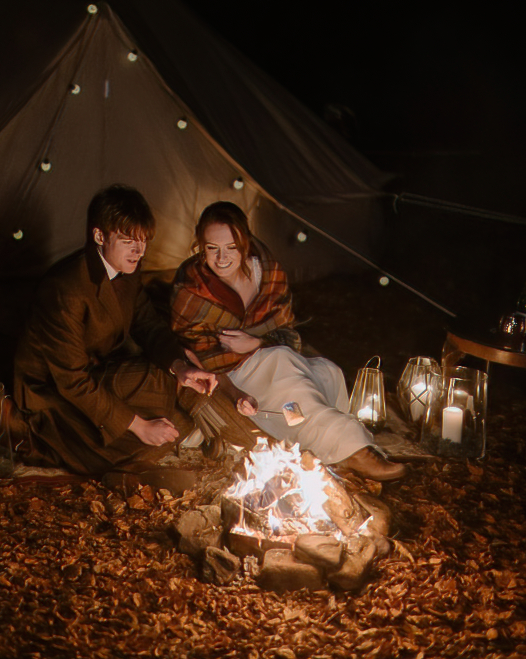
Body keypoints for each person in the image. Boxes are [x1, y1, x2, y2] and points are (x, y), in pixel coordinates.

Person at [170, 202, 406, 481]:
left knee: (327, 372)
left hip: (269, 356)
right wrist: (236, 389)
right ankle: (353, 448)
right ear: (201, 245)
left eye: (231, 247)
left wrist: (255, 344)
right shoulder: (192, 286)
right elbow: (194, 352)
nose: (221, 258)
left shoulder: (268, 271)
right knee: (288, 376)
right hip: (229, 374)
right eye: (212, 248)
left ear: (245, 242)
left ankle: (327, 450)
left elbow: (286, 330)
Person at [9, 185, 217, 477]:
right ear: (99, 236)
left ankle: (130, 430)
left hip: (96, 370)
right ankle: (51, 441)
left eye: (143, 241)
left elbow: (145, 321)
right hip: (51, 392)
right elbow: (72, 382)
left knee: (168, 379)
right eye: (128, 241)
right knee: (141, 437)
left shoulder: (127, 266)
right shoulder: (65, 289)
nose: (139, 250)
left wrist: (179, 367)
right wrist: (139, 425)